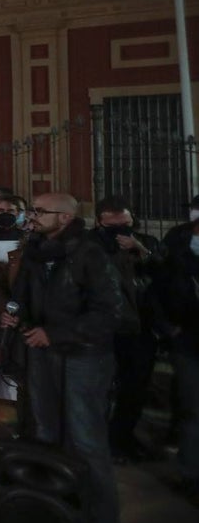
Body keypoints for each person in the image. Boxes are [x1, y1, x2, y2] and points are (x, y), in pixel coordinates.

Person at [0, 192, 125, 523]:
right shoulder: (36, 251)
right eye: (33, 211)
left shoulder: (90, 253)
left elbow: (111, 312)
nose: (33, 216)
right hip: (41, 354)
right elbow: (22, 296)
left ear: (66, 218)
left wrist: (55, 333)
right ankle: (53, 508)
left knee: (85, 438)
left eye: (41, 211)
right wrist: (15, 315)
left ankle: (100, 521)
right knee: (44, 431)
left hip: (83, 357)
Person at [91, 195, 163, 464]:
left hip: (140, 329)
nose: (122, 232)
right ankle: (98, 441)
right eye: (114, 227)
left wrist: (142, 250)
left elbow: (164, 275)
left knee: (135, 389)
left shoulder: (146, 243)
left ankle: (122, 438)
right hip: (104, 330)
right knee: (100, 389)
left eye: (127, 225)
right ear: (99, 223)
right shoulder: (89, 246)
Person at [158, 199, 199, 507]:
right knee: (191, 412)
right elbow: (159, 286)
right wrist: (168, 327)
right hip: (187, 340)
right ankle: (190, 475)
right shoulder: (178, 240)